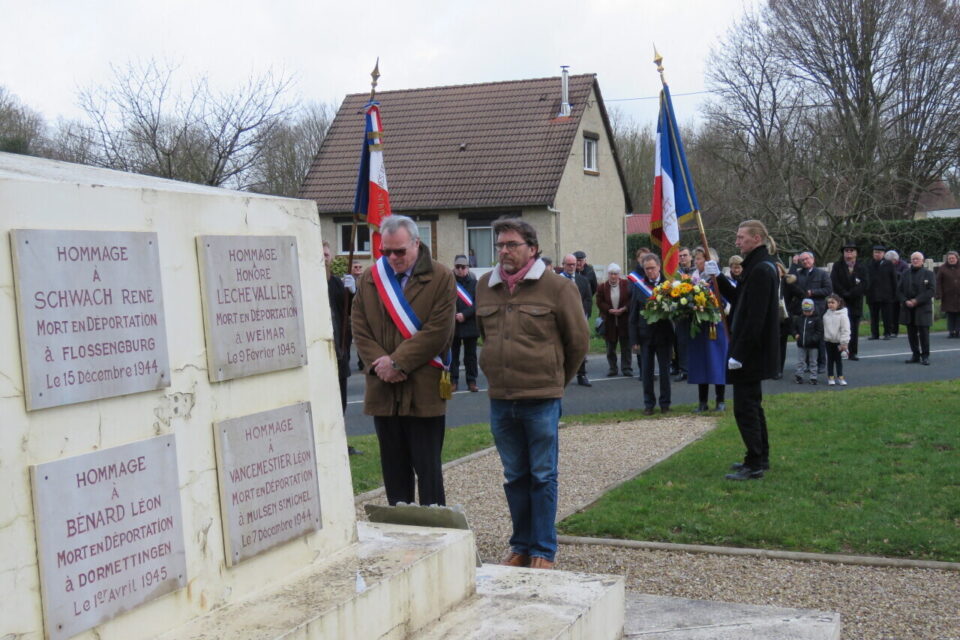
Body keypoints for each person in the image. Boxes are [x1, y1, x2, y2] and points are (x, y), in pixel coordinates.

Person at [476, 218, 589, 570]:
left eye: (512, 244)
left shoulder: (557, 287)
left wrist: (556, 380)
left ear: (533, 248)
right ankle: (521, 544)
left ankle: (542, 549)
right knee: (515, 476)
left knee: (542, 475)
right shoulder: (485, 286)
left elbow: (578, 342)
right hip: (501, 399)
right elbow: (485, 335)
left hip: (541, 398)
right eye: (500, 245)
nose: (504, 251)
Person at [351, 215, 455, 506]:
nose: (393, 258)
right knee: (393, 472)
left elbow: (438, 332)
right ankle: (402, 531)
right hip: (383, 389)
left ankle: (435, 533)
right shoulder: (371, 278)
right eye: (387, 251)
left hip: (423, 388)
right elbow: (359, 327)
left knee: (428, 471)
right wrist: (380, 364)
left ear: (416, 243)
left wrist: (397, 363)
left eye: (400, 251)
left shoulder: (441, 276)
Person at [724, 221, 780, 481]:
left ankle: (755, 462)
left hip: (751, 352)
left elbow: (754, 318)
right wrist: (718, 279)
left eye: (741, 237)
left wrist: (740, 354)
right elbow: (740, 300)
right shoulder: (757, 266)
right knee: (752, 406)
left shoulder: (761, 270)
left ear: (756, 238)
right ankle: (759, 456)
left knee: (745, 408)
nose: (737, 242)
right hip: (750, 350)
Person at [628, 253, 674, 415]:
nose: (650, 272)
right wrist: (634, 339)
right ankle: (649, 404)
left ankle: (665, 404)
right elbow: (633, 315)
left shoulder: (669, 285)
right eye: (646, 269)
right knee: (646, 373)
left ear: (659, 267)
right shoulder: (639, 286)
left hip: (664, 334)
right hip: (645, 336)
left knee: (664, 372)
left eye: (652, 268)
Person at [690, 247, 727, 412]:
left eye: (699, 259)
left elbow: (726, 301)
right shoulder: (693, 280)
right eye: (696, 259)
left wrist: (712, 305)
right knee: (701, 363)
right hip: (699, 326)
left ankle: (720, 400)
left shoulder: (718, 279)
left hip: (715, 326)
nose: (696, 262)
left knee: (717, 362)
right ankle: (702, 402)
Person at [784, 251, 832, 372]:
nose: (805, 261)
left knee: (818, 337)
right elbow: (789, 282)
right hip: (802, 310)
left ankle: (821, 363)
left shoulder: (822, 274)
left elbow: (828, 290)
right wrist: (794, 265)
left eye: (807, 259)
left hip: (817, 309)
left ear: (813, 259)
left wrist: (813, 292)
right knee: (804, 337)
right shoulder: (798, 274)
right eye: (802, 260)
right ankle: (807, 363)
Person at [830, 242, 869, 360]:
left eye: (851, 250)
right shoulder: (837, 266)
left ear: (856, 253)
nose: (849, 253)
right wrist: (844, 293)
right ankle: (838, 351)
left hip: (856, 301)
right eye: (846, 251)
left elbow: (865, 283)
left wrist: (852, 293)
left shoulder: (862, 267)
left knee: (853, 328)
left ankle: (853, 352)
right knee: (839, 327)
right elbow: (834, 281)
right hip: (841, 302)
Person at [561, 254, 593, 386]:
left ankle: (582, 374)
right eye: (568, 264)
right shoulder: (558, 280)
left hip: (579, 319)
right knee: (562, 346)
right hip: (562, 319)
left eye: (573, 264)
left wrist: (581, 312)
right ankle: (562, 376)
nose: (571, 267)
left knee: (580, 346)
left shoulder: (582, 280)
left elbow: (588, 299)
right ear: (563, 265)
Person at [595, 263, 633, 377]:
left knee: (626, 346)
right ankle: (613, 368)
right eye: (611, 274)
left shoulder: (627, 284)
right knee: (610, 347)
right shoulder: (602, 287)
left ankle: (627, 368)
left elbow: (631, 299)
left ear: (619, 274)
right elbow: (599, 301)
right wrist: (609, 309)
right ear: (608, 274)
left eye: (615, 274)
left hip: (624, 320)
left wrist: (624, 308)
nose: (613, 276)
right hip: (609, 321)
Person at [899, 251, 934, 365]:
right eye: (913, 259)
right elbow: (898, 290)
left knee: (924, 333)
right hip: (909, 308)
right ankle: (915, 355)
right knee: (911, 334)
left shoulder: (929, 274)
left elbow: (931, 290)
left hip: (923, 308)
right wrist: (905, 301)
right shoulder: (905, 273)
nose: (915, 261)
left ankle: (925, 356)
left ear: (922, 261)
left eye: (917, 259)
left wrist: (916, 300)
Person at [451, 254, 479, 392]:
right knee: (453, 355)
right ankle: (453, 381)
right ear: (454, 267)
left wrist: (465, 314)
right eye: (458, 267)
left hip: (470, 323)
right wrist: (455, 314)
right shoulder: (449, 282)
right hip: (453, 323)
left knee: (471, 356)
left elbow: (478, 304)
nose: (460, 269)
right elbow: (445, 302)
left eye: (463, 267)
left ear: (468, 268)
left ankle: (472, 381)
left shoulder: (475, 283)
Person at [793, 298, 824, 384]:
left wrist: (813, 339)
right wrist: (795, 334)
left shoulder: (817, 319)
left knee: (813, 361)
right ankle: (799, 375)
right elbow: (794, 328)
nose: (807, 313)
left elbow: (819, 332)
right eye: (805, 311)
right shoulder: (799, 319)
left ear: (813, 309)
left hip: (813, 345)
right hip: (801, 344)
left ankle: (813, 377)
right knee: (800, 361)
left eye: (809, 311)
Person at [866, 245, 893, 340]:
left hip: (886, 295)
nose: (877, 254)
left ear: (884, 254)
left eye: (879, 252)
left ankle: (887, 333)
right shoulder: (869, 264)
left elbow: (893, 280)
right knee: (874, 317)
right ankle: (875, 334)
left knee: (886, 316)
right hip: (872, 294)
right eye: (875, 252)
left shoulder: (889, 264)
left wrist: (894, 294)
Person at [823, 294, 851, 386]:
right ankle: (830, 377)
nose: (830, 304)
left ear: (838, 303)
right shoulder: (826, 314)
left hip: (838, 342)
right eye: (829, 303)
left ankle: (840, 377)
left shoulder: (842, 315)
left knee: (838, 360)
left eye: (832, 302)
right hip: (828, 341)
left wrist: (844, 342)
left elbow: (845, 330)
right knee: (830, 360)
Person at [936, 250, 960, 338]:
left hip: (959, 296)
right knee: (950, 315)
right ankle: (951, 331)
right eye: (949, 258)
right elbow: (938, 282)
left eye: (953, 258)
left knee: (958, 314)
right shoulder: (942, 268)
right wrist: (939, 294)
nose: (951, 260)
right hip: (948, 296)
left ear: (957, 258)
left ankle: (958, 331)